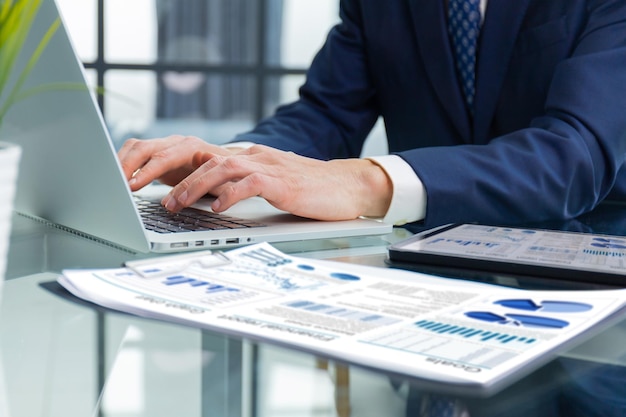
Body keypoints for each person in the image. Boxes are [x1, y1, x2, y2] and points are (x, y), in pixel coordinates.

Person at [118, 0, 626, 234]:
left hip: (588, 271)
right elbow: (325, 114)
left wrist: (366, 181)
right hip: (426, 268)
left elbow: (572, 155)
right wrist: (230, 162)